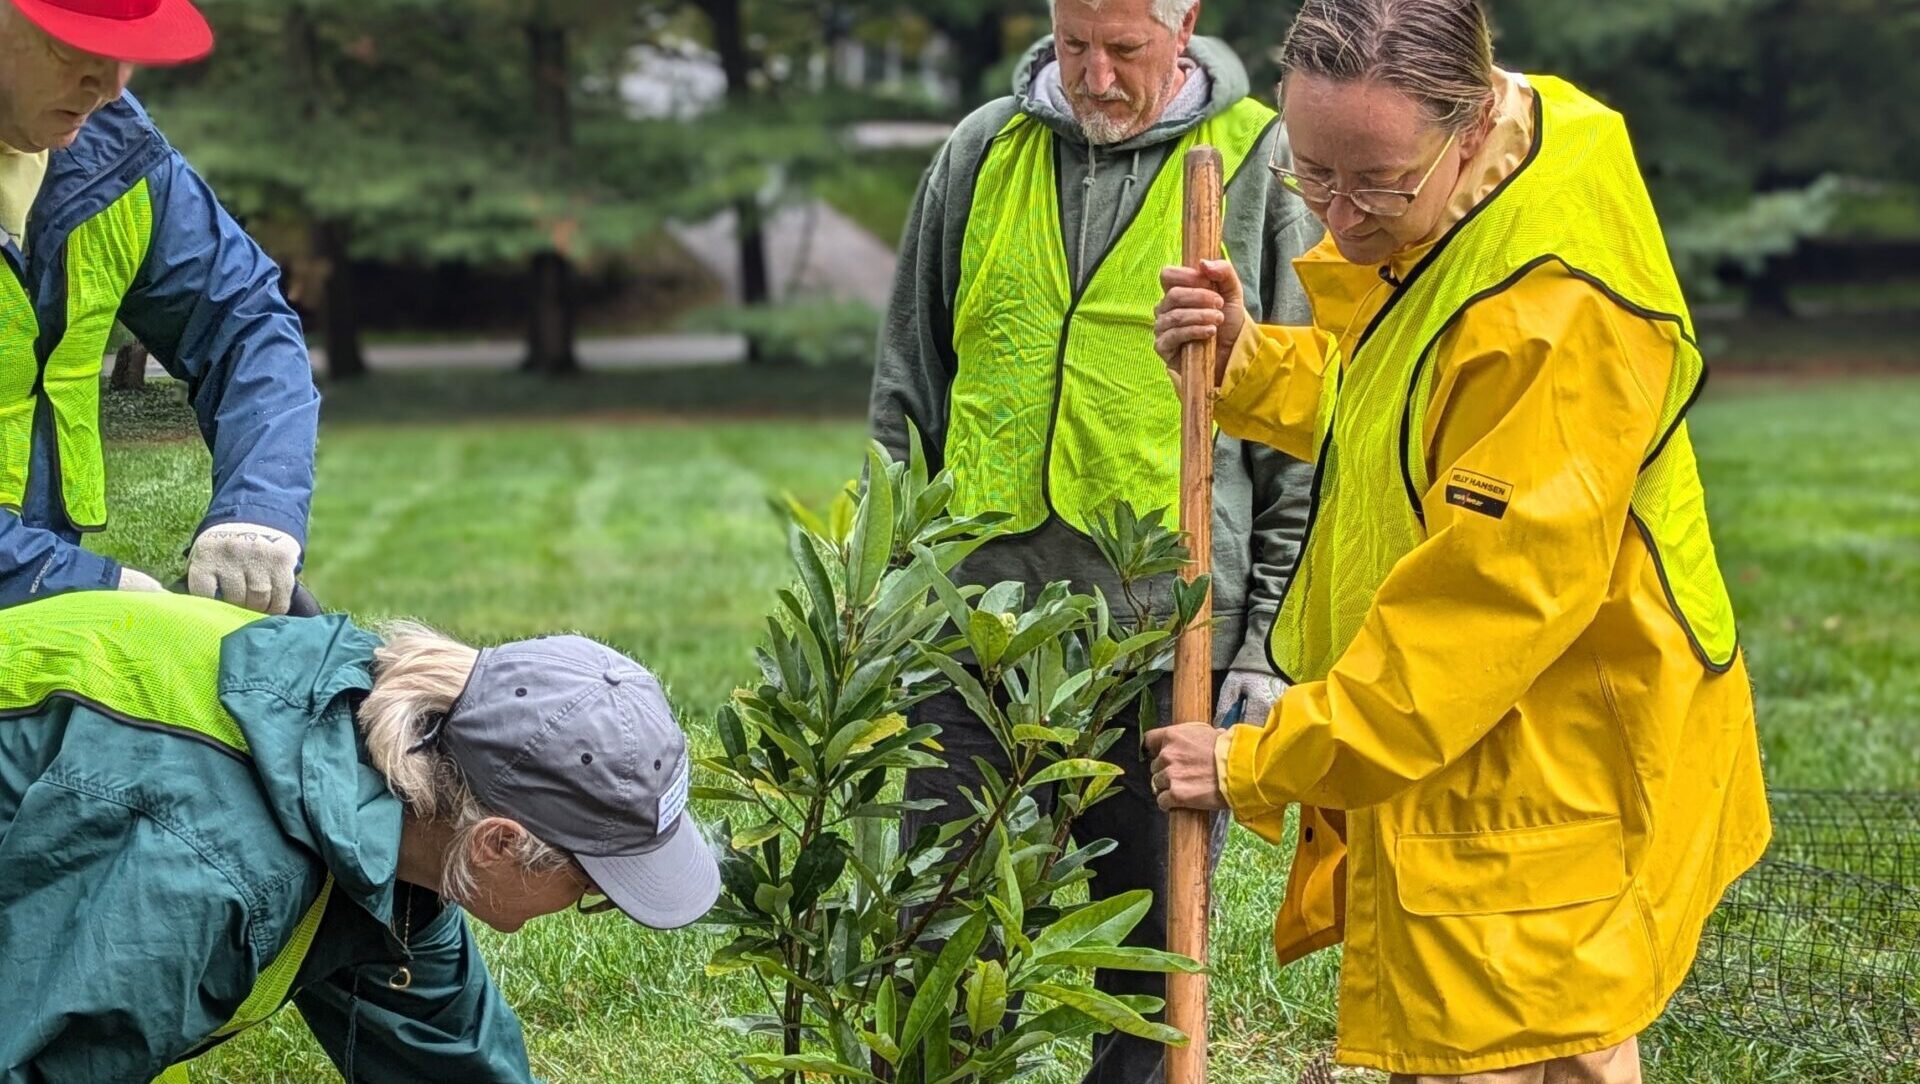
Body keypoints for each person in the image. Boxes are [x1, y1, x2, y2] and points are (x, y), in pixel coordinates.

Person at [1144, 1, 1769, 1081]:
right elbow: (1407, 406)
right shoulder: (1463, 211)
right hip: (1473, 754)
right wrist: (1247, 361)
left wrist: (1260, 757)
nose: (1337, 217)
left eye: (1374, 183)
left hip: (1545, 762)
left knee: (1512, 1047)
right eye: (1312, 174)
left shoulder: (1555, 312)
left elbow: (1481, 609)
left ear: (1473, 125)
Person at [868, 0, 1320, 1078]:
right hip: (975, 624)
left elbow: (1303, 443)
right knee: (936, 923)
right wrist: (886, 591)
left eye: (1123, 50)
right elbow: (909, 388)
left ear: (1186, 24)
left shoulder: (1257, 164)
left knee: (1150, 952)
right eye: (1075, 46)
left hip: (1159, 637)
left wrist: (1261, 650)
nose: (1095, 77)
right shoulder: (983, 151)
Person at [0, 590, 721, 1081]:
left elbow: (452, 1061)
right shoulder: (216, 874)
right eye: (593, 888)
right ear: (497, 843)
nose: (585, 906)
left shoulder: (400, 817)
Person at [0, 0, 318, 614]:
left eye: (125, 52)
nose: (110, 84)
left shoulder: (113, 150)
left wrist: (258, 509)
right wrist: (93, 590)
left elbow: (243, 320)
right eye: (72, 47)